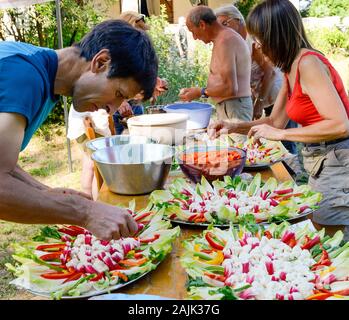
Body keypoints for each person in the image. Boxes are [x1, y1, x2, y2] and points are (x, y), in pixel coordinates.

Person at [0, 19, 158, 240]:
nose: (111, 110)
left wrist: (46, 193)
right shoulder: (26, 77)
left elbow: (5, 165)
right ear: (101, 62)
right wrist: (85, 212)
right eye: (119, 94)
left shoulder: (38, 68)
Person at [208, 0, 349, 239]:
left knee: (334, 241)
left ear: (277, 36)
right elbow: (275, 123)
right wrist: (234, 125)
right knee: (320, 230)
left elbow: (340, 124)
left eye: (260, 40)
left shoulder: (308, 64)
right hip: (319, 160)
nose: (258, 47)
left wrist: (282, 136)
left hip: (337, 160)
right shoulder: (290, 67)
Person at [214, 4, 298, 156]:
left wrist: (259, 102)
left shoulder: (253, 41)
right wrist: (233, 126)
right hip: (266, 94)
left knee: (285, 143)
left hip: (274, 92)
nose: (223, 30)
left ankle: (291, 166)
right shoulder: (237, 41)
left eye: (225, 24)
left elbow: (270, 73)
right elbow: (273, 122)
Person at [178, 6, 253, 126]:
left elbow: (230, 88)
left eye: (192, 31)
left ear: (202, 24)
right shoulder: (222, 39)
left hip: (234, 107)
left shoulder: (225, 41)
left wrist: (200, 92)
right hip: (231, 106)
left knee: (236, 144)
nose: (194, 37)